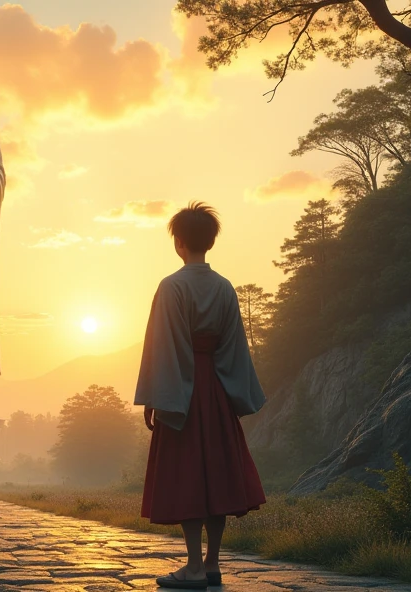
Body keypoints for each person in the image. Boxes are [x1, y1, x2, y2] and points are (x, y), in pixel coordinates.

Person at [135, 202, 267, 589]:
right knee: (217, 477)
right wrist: (233, 395)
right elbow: (234, 347)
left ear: (178, 243)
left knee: (188, 476)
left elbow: (167, 346)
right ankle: (211, 564)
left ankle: (192, 567)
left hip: (182, 390)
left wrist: (157, 398)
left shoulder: (172, 286)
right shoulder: (225, 287)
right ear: (210, 242)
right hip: (216, 390)